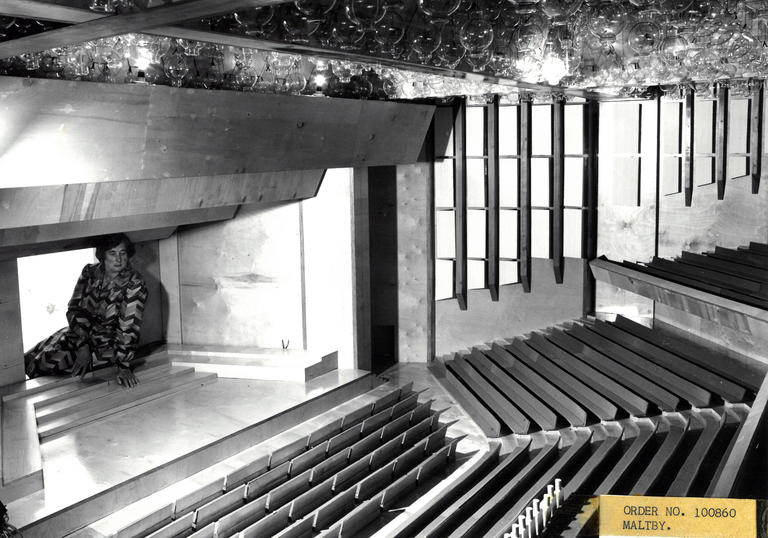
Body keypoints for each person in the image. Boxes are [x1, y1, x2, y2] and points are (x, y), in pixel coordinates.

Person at [24, 233, 148, 388]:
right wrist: (82, 344)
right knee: (35, 360)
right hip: (80, 333)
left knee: (54, 364)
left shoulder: (135, 284)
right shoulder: (89, 272)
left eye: (122, 253)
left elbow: (127, 328)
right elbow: (74, 309)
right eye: (112, 253)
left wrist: (124, 366)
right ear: (103, 255)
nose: (118, 259)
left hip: (108, 344)